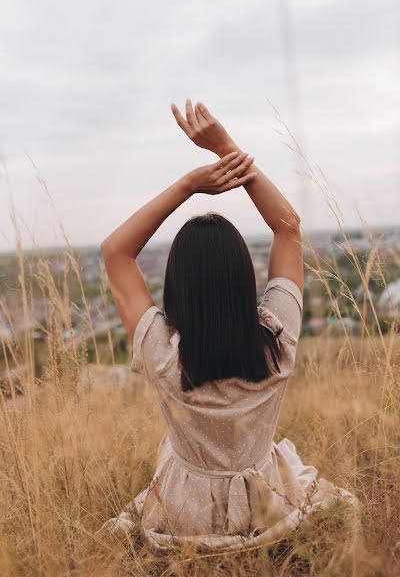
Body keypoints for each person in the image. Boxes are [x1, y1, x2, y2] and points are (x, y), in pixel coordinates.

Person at [98, 100, 359, 554]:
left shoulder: (163, 353)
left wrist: (188, 185)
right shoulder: (278, 340)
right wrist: (225, 149)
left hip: (186, 511)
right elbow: (288, 228)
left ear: (177, 286)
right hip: (268, 502)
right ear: (245, 279)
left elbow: (116, 252)